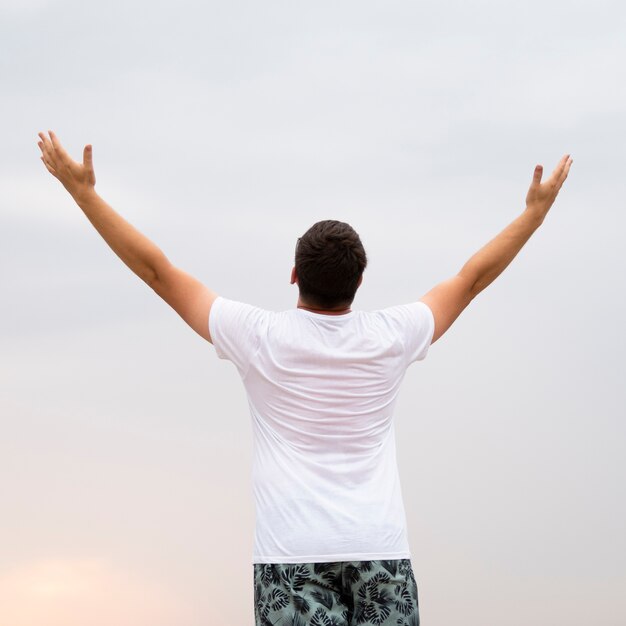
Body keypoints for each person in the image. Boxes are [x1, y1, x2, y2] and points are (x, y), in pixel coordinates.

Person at [37, 130, 572, 626]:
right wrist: (534, 215)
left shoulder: (258, 337)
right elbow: (471, 279)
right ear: (361, 281)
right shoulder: (394, 334)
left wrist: (83, 194)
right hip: (379, 549)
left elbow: (158, 271)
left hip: (290, 558)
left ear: (294, 274)